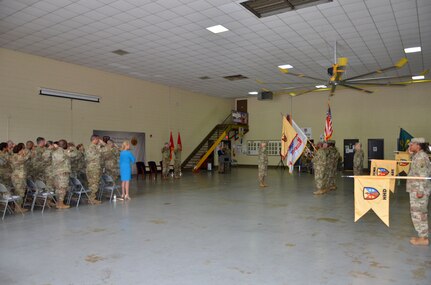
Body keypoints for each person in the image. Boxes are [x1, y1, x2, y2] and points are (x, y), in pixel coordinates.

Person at [406, 137, 431, 246]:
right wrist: (410, 151)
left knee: (418, 214)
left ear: (418, 145)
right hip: (416, 189)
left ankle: (423, 238)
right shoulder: (418, 156)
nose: (410, 146)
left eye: (412, 144)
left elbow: (423, 175)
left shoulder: (421, 157)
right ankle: (422, 234)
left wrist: (420, 190)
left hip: (419, 190)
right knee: (419, 213)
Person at [51, 139, 76, 209]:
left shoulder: (54, 152)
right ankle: (61, 204)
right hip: (63, 174)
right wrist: (71, 148)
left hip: (56, 173)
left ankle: (58, 203)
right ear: (65, 145)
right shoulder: (64, 152)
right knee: (63, 188)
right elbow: (74, 154)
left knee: (57, 189)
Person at [9, 143, 29, 213]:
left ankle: (16, 206)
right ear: (20, 150)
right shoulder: (20, 157)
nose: (23, 151)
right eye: (22, 150)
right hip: (20, 177)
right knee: (20, 192)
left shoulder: (12, 156)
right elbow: (27, 157)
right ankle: (18, 208)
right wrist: (25, 153)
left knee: (16, 191)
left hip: (14, 175)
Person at [85, 135, 106, 205]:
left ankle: (90, 198)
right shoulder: (95, 147)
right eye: (98, 139)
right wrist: (103, 143)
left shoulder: (88, 147)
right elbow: (106, 150)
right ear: (96, 139)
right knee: (94, 184)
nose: (99, 141)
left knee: (91, 183)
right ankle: (92, 199)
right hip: (94, 168)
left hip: (89, 168)